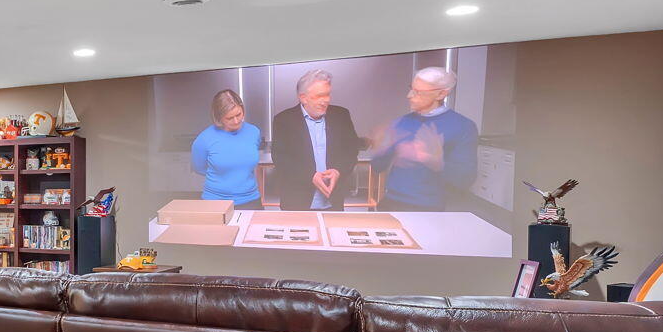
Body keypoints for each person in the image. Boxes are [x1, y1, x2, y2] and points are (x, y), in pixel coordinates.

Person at [372, 66, 478, 211]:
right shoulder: (400, 122)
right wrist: (381, 149)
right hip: (392, 202)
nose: (409, 95)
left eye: (418, 92)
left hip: (431, 208)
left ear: (441, 94)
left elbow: (466, 180)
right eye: (411, 88)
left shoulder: (463, 126)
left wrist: (435, 161)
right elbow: (378, 167)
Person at [269, 69, 360, 210]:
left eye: (328, 94)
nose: (327, 100)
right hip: (297, 203)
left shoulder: (341, 115)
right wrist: (310, 176)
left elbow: (351, 151)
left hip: (333, 202)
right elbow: (281, 159)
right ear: (303, 97)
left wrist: (338, 171)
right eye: (320, 96)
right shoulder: (283, 120)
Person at [189, 88, 264, 207]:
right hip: (215, 203)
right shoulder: (203, 139)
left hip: (251, 200)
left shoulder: (254, 132)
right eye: (229, 118)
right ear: (218, 117)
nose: (236, 121)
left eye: (239, 114)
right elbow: (199, 168)